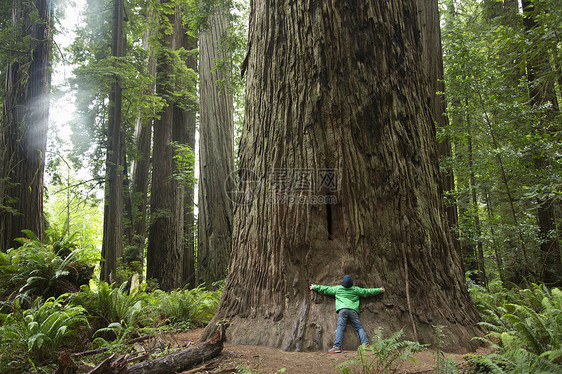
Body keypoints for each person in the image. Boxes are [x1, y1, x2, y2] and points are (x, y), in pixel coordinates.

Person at [309, 275, 385, 353]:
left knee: (340, 328)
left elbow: (326, 289)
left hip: (342, 310)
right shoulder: (356, 290)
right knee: (359, 328)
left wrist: (315, 287)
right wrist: (379, 290)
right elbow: (367, 292)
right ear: (352, 283)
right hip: (353, 310)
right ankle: (365, 344)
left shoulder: (337, 289)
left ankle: (337, 346)